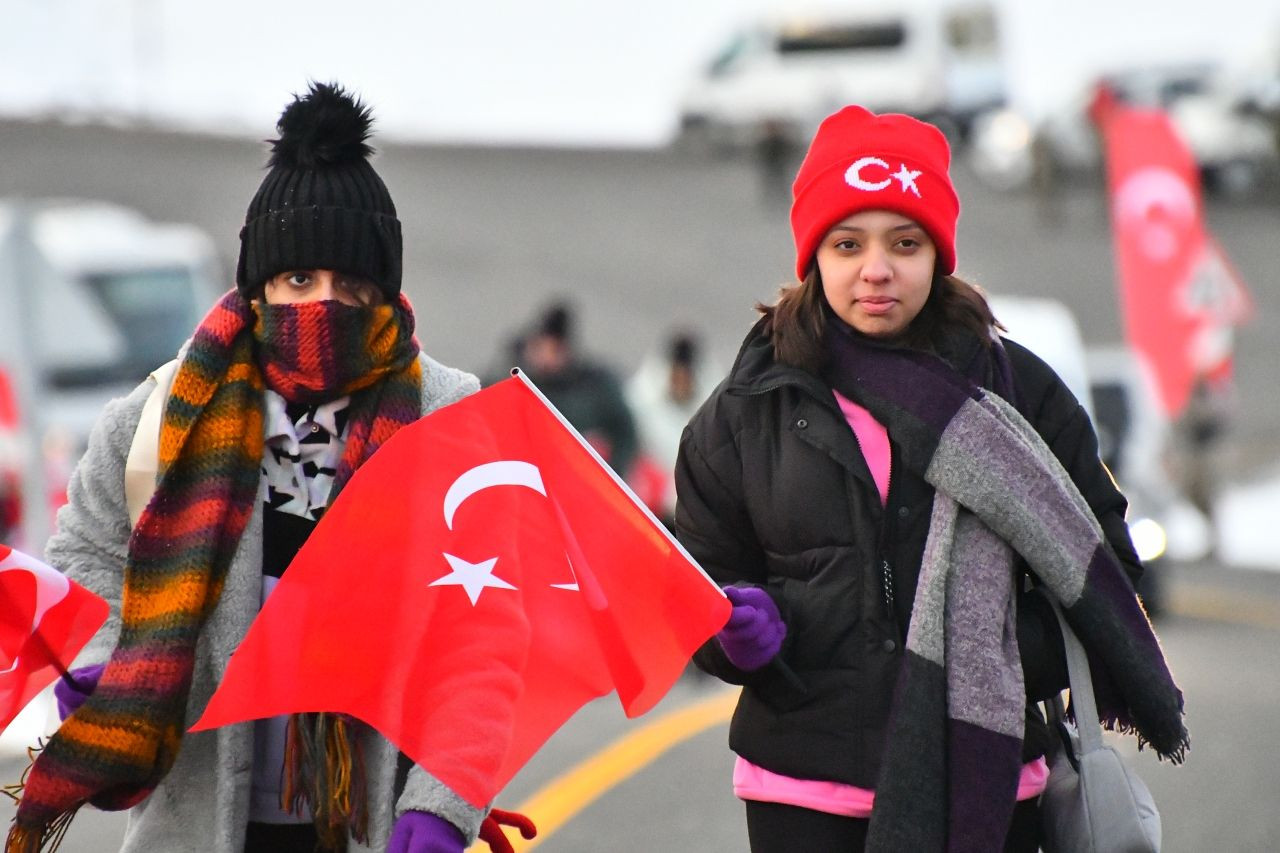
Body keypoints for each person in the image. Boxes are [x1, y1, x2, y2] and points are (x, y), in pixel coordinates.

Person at [6, 83, 523, 853]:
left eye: (352, 287)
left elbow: (482, 637)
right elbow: (87, 562)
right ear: (260, 287)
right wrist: (100, 663)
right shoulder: (155, 420)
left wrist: (444, 800)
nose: (325, 305)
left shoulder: (448, 425)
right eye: (299, 281)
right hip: (193, 822)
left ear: (384, 293)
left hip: (370, 825)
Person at [675, 105, 1188, 852]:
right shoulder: (745, 410)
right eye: (848, 243)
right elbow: (695, 588)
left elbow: (1104, 565)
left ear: (937, 255)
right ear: (814, 255)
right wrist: (741, 636)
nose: (876, 269)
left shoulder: (1020, 394)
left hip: (990, 783)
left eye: (904, 243)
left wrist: (998, 655)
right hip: (803, 792)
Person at [512, 300, 638, 481]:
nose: (546, 357)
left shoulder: (595, 385)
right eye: (541, 348)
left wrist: (613, 472)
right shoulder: (512, 380)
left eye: (555, 349)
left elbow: (625, 432)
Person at [625, 330, 715, 530]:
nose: (681, 383)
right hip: (649, 508)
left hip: (691, 514)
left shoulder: (711, 414)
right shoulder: (641, 405)